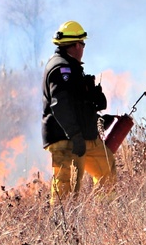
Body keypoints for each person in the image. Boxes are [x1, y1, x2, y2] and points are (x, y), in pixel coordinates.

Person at [41, 20, 116, 204]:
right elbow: (60, 105)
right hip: (67, 140)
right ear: (76, 45)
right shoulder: (61, 69)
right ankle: (62, 229)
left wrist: (96, 120)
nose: (83, 48)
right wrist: (74, 135)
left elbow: (76, 104)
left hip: (85, 138)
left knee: (107, 169)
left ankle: (104, 216)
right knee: (66, 191)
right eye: (83, 43)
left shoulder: (72, 68)